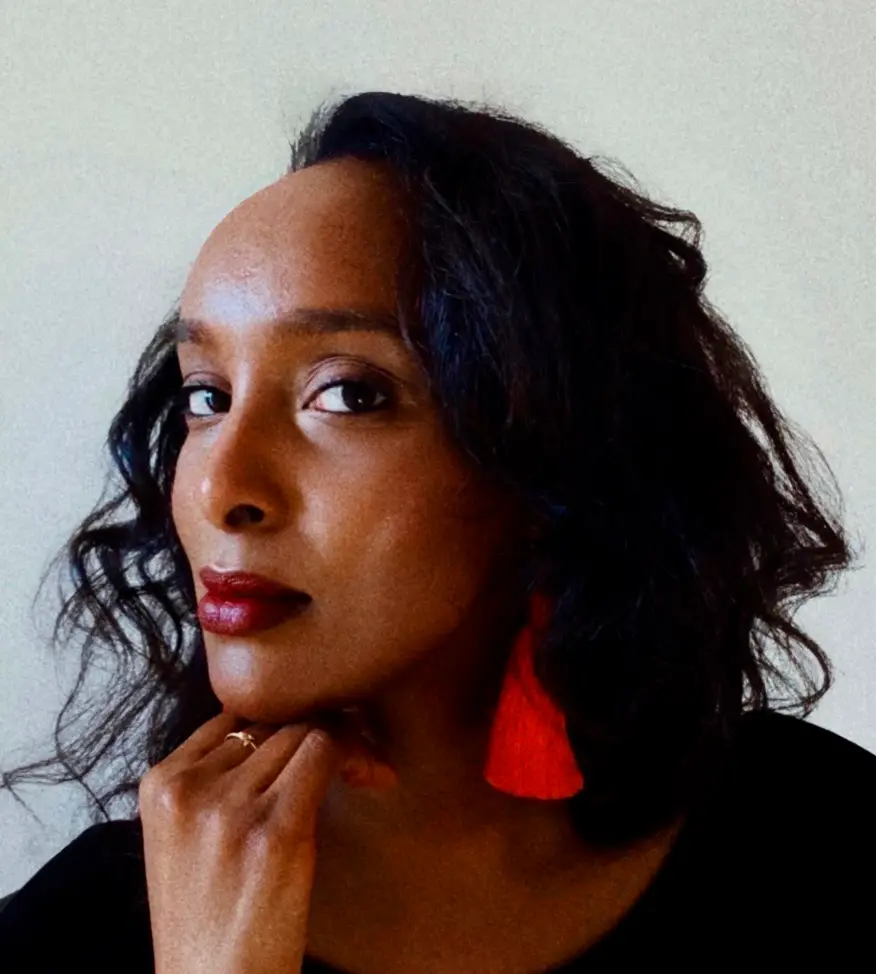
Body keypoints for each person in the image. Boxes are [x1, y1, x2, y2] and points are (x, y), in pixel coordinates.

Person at [1, 90, 873, 972]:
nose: (224, 489)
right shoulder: (75, 939)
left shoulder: (817, 841)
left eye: (349, 393)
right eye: (206, 396)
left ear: (551, 459)